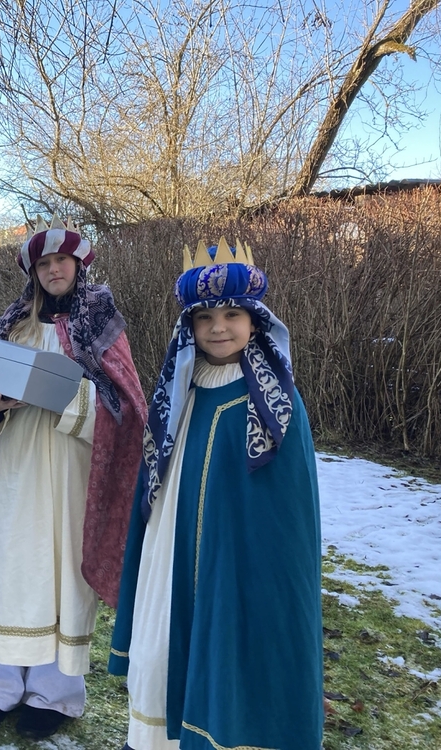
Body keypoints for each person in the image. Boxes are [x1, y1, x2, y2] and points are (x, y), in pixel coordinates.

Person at [0, 215, 147, 740]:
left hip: (68, 473)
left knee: (58, 571)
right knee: (6, 566)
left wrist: (63, 398)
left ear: (79, 265)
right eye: (44, 263)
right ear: (33, 271)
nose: (54, 270)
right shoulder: (10, 327)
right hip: (6, 471)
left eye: (62, 261)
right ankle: (1, 683)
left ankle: (55, 692)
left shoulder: (102, 327)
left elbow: (126, 411)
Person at [109, 239, 323, 750]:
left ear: (255, 320)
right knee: (163, 640)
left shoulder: (275, 400)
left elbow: (289, 509)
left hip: (239, 560)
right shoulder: (178, 388)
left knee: (227, 644)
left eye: (231, 315)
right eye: (204, 317)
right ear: (190, 326)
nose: (218, 328)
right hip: (170, 545)